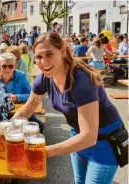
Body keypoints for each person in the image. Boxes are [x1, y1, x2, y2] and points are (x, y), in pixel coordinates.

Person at [13, 32, 125, 184]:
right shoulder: (45, 78)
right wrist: (7, 128)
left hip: (104, 142)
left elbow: (89, 137)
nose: (44, 61)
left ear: (63, 51)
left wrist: (45, 151)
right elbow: (28, 109)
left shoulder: (81, 81)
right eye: (39, 57)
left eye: (49, 54)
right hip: (78, 136)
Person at [0, 53, 44, 132]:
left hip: (21, 113)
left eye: (10, 66)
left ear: (15, 65)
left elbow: (32, 96)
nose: (7, 69)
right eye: (4, 66)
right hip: (1, 112)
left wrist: (17, 97)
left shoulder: (21, 76)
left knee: (39, 125)